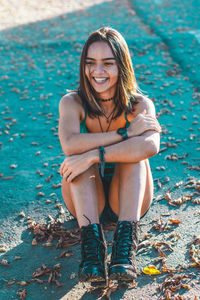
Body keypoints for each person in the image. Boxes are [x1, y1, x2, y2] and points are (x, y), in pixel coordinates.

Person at [58, 27, 161, 284]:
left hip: (129, 201)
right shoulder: (72, 102)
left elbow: (150, 146)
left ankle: (124, 254)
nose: (98, 71)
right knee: (79, 162)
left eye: (108, 63)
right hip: (83, 202)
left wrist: (92, 154)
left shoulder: (140, 105)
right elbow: (70, 144)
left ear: (122, 66)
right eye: (90, 63)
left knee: (134, 158)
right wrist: (124, 132)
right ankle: (92, 254)